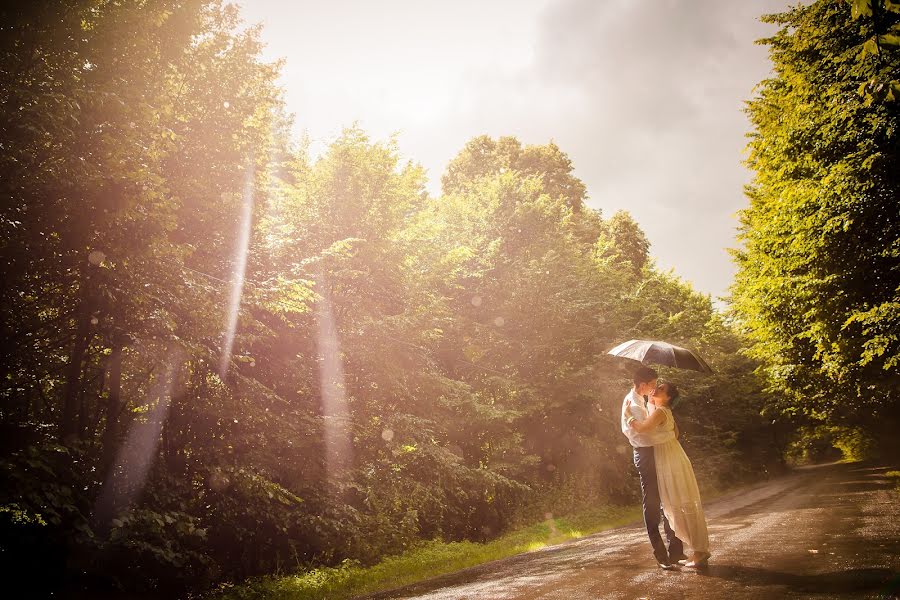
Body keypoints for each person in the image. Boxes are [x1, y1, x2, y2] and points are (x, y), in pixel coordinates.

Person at [629, 381, 711, 568]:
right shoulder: (664, 411)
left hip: (670, 461)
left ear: (668, 397)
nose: (656, 389)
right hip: (672, 456)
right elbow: (676, 433)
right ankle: (698, 550)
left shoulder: (660, 412)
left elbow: (642, 429)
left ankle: (699, 551)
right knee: (680, 504)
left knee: (681, 504)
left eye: (661, 389)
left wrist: (628, 417)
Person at [621, 366, 686, 569]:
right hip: (646, 454)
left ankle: (676, 551)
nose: (655, 387)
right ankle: (661, 555)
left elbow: (660, 424)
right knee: (652, 502)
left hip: (659, 452)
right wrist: (668, 433)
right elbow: (647, 434)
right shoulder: (632, 404)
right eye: (654, 384)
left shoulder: (646, 401)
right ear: (643, 385)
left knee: (668, 498)